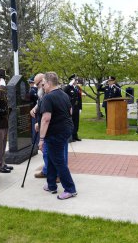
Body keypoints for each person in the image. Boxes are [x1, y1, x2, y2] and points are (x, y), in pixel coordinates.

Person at [39, 71, 77, 200]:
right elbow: (70, 111)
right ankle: (51, 185)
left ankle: (70, 189)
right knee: (50, 158)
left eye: (43, 84)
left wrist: (41, 139)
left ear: (49, 84)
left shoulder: (48, 97)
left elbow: (46, 119)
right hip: (65, 130)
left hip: (56, 133)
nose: (42, 86)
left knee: (59, 161)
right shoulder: (64, 94)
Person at [63, 74, 82, 141]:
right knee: (71, 122)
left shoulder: (78, 88)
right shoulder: (68, 87)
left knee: (76, 122)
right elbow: (64, 91)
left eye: (76, 80)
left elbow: (80, 98)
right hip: (70, 107)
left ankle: (75, 135)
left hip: (76, 107)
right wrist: (69, 85)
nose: (76, 81)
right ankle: (70, 137)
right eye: (74, 80)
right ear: (71, 81)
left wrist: (80, 108)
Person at [28, 76, 39, 144]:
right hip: (34, 110)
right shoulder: (32, 90)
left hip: (35, 110)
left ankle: (35, 141)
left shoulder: (34, 90)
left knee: (35, 126)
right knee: (34, 127)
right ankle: (35, 141)